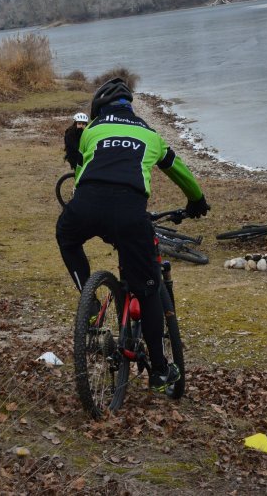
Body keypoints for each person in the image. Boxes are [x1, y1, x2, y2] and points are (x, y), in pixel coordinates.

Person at [55, 78, 210, 393]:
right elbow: (180, 171)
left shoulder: (92, 133)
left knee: (67, 237)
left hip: (85, 206)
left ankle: (92, 305)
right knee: (149, 289)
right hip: (129, 215)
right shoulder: (152, 137)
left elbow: (83, 169)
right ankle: (159, 370)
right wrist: (196, 201)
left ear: (99, 111)